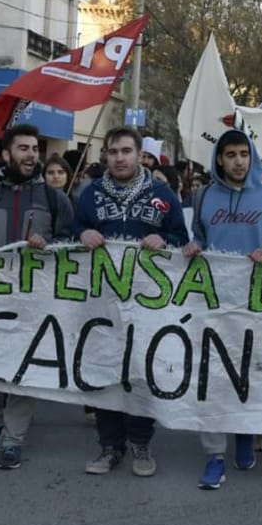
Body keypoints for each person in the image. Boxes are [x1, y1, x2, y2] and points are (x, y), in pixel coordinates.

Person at [183, 129, 262, 490]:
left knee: (251, 373)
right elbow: (199, 234)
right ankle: (214, 456)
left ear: (252, 156)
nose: (238, 161)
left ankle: (245, 432)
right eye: (230, 155)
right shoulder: (202, 197)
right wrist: (194, 246)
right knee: (212, 378)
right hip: (213, 302)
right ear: (219, 159)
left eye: (243, 154)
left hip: (257, 303)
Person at [75, 127, 187, 480]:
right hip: (101, 303)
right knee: (105, 370)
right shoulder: (90, 195)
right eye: (113, 152)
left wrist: (163, 237)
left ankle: (140, 441)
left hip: (147, 305)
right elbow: (66, 235)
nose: (119, 157)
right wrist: (81, 234)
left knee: (141, 370)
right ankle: (110, 445)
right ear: (105, 156)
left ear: (140, 155)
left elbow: (182, 239)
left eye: (126, 151)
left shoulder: (162, 193)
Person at [0, 124, 74, 471]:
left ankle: (13, 439)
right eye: (23, 148)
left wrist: (50, 247)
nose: (31, 155)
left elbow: (69, 245)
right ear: (6, 154)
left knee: (24, 369)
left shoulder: (55, 199)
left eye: (34, 149)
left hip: (34, 300)